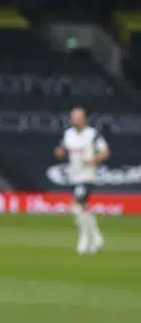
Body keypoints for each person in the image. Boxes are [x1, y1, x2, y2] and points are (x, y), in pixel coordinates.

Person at [55, 106, 108, 254]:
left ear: (84, 119)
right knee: (83, 209)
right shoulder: (68, 134)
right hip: (74, 175)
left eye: (79, 117)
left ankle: (84, 239)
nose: (76, 120)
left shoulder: (93, 134)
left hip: (87, 176)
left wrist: (93, 159)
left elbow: (105, 152)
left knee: (76, 205)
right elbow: (63, 150)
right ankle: (97, 238)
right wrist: (60, 153)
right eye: (73, 117)